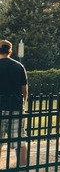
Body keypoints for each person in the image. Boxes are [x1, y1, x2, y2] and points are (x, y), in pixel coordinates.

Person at [0, 40, 28, 168]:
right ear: (10, 51)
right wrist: (23, 103)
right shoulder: (19, 66)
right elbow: (24, 90)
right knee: (19, 140)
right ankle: (22, 167)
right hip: (15, 106)